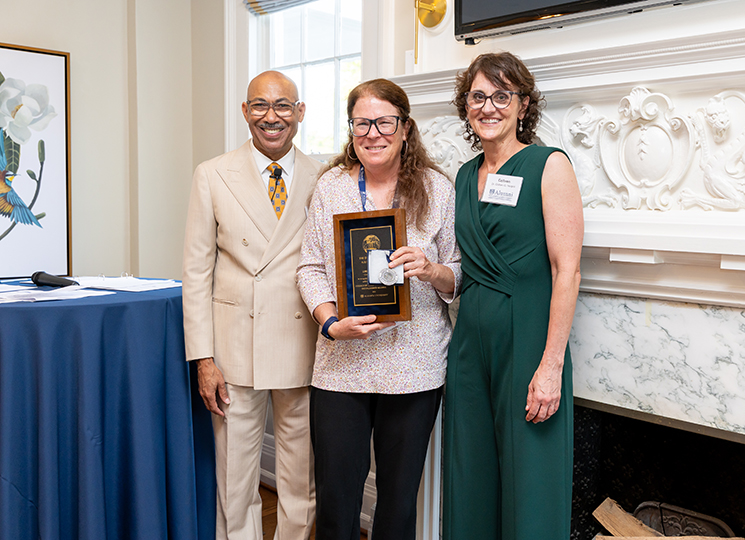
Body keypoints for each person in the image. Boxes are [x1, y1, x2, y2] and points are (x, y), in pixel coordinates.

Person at [296, 78, 461, 540]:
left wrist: (430, 269)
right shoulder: (331, 187)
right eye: (361, 123)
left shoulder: (437, 189)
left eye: (384, 122)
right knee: (335, 503)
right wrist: (330, 322)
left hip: (414, 368)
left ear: (405, 128)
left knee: (397, 505)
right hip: (341, 368)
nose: (373, 133)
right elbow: (309, 268)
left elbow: (459, 273)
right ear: (351, 130)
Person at [442, 52, 584, 540]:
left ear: (523, 105)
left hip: (528, 343)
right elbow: (463, 269)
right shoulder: (463, 176)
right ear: (466, 107)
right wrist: (430, 271)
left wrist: (550, 365)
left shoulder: (550, 165)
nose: (488, 106)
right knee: (471, 473)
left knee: (531, 479)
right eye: (478, 96)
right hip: (468, 348)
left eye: (502, 96)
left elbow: (567, 271)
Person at [182, 71, 320, 540]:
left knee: (300, 478)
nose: (271, 116)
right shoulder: (212, 173)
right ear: (245, 112)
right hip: (234, 347)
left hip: (305, 343)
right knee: (234, 478)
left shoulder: (325, 176)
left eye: (283, 106)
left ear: (300, 113)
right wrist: (203, 358)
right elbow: (196, 273)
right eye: (259, 106)